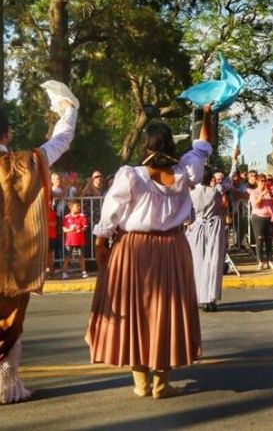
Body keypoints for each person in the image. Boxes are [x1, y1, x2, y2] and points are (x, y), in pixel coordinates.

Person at [85, 105, 213, 399]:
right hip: (172, 247)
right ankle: (160, 383)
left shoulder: (131, 175)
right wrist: (206, 113)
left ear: (146, 146)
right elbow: (203, 145)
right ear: (171, 145)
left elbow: (110, 214)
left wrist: (101, 245)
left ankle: (142, 382)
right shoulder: (185, 172)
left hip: (134, 249)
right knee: (165, 313)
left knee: (134, 313)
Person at [0, 85, 78, 405]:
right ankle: (5, 386)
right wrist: (68, 110)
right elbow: (61, 140)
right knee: (9, 321)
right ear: (7, 132)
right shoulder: (26, 163)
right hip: (15, 261)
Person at [186, 151, 233, 313]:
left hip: (197, 228)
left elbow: (187, 214)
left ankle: (201, 297)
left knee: (198, 261)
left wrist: (188, 223)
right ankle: (210, 299)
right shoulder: (215, 191)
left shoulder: (192, 194)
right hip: (213, 227)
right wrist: (233, 159)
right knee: (213, 262)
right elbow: (230, 179)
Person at [250, 173, 273, 270]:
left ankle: (270, 261)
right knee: (260, 240)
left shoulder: (270, 191)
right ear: (257, 181)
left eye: (265, 180)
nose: (264, 183)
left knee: (269, 240)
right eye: (262, 181)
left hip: (270, 218)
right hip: (258, 217)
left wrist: (270, 193)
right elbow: (256, 204)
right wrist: (262, 194)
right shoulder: (254, 192)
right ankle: (260, 262)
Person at [62, 201, 89, 279]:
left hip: (80, 240)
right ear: (71, 208)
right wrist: (70, 229)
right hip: (69, 240)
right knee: (67, 256)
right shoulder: (66, 217)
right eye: (77, 206)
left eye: (79, 206)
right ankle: (64, 272)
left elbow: (85, 227)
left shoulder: (82, 216)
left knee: (81, 256)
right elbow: (64, 229)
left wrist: (80, 230)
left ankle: (83, 272)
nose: (79, 208)